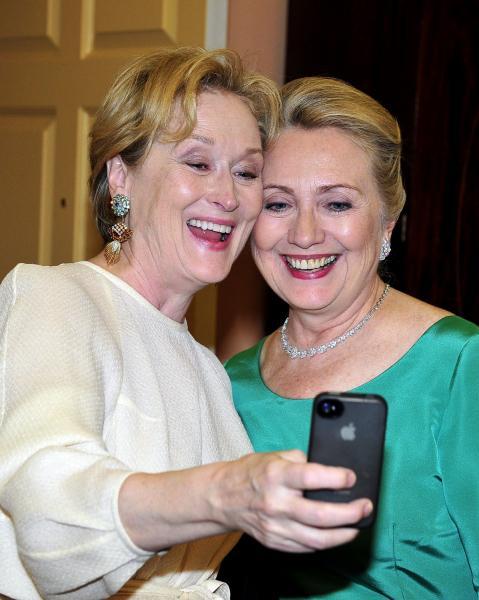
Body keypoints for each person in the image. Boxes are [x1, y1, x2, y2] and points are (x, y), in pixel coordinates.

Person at [0, 51, 373, 600]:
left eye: (246, 172)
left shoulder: (207, 368)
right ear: (121, 176)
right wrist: (225, 493)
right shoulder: (56, 297)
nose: (227, 196)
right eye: (197, 163)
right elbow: (48, 498)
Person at [222, 76, 479, 598]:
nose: (305, 234)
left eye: (337, 204)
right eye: (278, 204)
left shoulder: (458, 365)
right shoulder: (230, 382)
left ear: (387, 222)